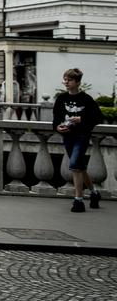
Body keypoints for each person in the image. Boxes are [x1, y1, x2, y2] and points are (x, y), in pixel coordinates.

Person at [54, 68, 104, 212]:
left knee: (75, 164)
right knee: (80, 166)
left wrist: (81, 119)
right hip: (68, 136)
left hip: (81, 136)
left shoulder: (86, 99)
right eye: (65, 79)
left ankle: (78, 200)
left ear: (77, 82)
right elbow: (56, 118)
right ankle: (94, 193)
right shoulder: (61, 98)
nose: (66, 82)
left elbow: (97, 117)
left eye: (69, 80)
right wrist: (58, 127)